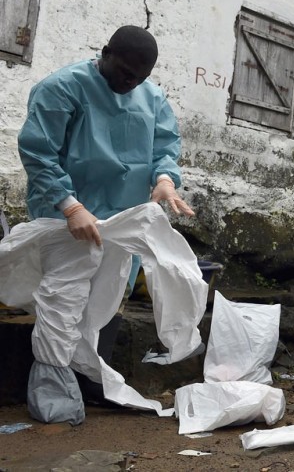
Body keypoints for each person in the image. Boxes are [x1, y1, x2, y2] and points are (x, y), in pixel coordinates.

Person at [17, 25, 194, 424]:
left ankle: (89, 379)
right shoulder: (62, 88)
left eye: (140, 78)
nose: (130, 83)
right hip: (69, 216)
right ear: (105, 53)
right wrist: (69, 205)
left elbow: (164, 146)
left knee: (107, 296)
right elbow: (39, 151)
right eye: (126, 73)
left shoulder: (151, 97)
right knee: (64, 296)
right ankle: (52, 390)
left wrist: (164, 179)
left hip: (121, 216)